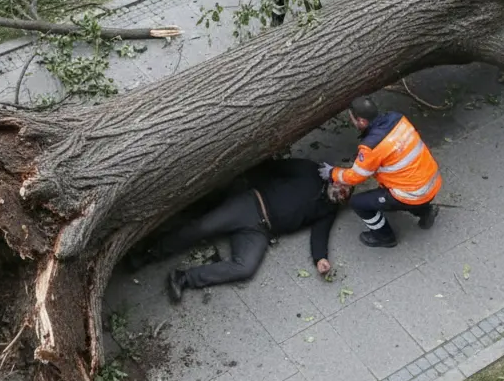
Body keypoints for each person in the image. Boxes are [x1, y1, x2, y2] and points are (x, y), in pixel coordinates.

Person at [160, 158, 351, 303]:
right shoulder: (311, 171)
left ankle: (184, 278)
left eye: (345, 195)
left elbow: (321, 233)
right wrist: (244, 184)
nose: (341, 194)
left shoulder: (329, 208)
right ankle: (154, 251)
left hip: (261, 231)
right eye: (343, 187)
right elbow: (274, 167)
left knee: (245, 268)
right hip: (251, 204)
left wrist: (320, 258)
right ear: (336, 177)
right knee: (202, 227)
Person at [320, 96, 441, 249]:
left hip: (412, 192)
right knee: (409, 193)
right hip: (430, 181)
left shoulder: (372, 146)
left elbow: (356, 176)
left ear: (362, 121)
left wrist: (332, 172)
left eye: (352, 119)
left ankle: (384, 237)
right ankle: (426, 211)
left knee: (358, 203)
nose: (352, 122)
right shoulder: (398, 118)